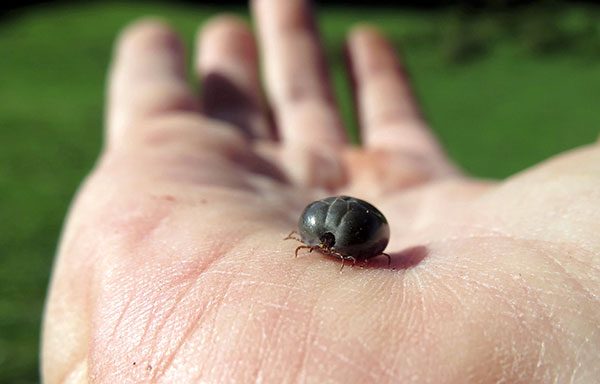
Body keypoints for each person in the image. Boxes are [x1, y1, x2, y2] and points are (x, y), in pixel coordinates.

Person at [41, 0, 599, 382]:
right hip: (347, 223)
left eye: (335, 247)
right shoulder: (340, 231)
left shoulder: (330, 230)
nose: (331, 252)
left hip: (343, 222)